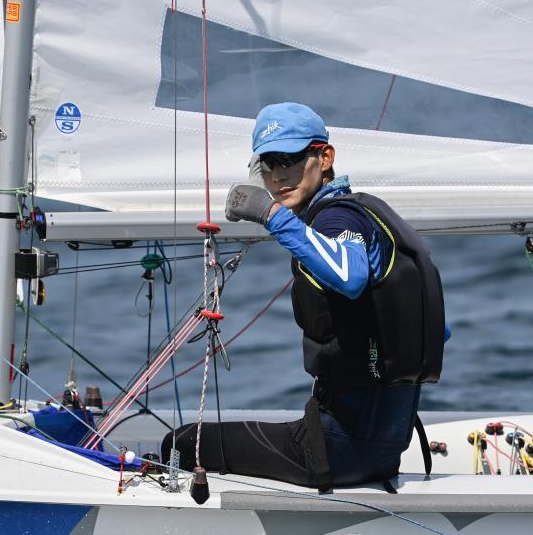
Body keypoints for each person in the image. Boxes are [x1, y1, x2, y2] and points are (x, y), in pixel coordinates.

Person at [162, 102, 445, 490]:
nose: (278, 176)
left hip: (332, 453)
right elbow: (433, 330)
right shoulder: (368, 215)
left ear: (324, 157)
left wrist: (271, 215)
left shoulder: (335, 219)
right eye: (268, 165)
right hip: (384, 449)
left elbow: (350, 275)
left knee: (179, 443)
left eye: (290, 159)